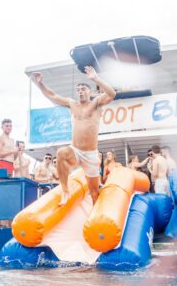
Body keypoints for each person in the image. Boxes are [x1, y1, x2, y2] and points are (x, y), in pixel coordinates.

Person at [31, 66, 116, 203]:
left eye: (83, 89)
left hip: (90, 154)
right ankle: (65, 191)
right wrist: (41, 83)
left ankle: (94, 216)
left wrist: (95, 78)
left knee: (94, 192)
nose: (80, 92)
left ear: (90, 91)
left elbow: (111, 94)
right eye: (78, 90)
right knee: (61, 152)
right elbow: (52, 95)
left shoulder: (96, 103)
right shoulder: (72, 104)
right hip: (75, 150)